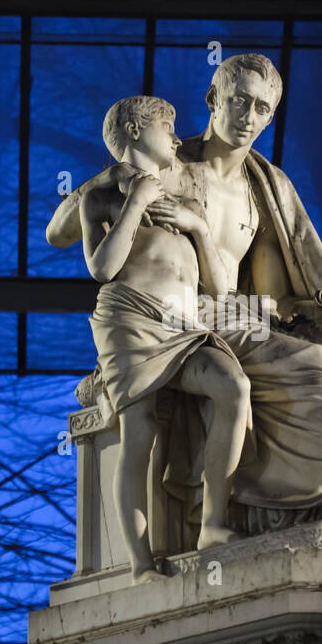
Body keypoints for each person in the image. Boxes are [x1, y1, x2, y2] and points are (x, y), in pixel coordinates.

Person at [50, 56, 322, 530]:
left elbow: (286, 287)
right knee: (311, 362)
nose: (248, 116)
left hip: (254, 318)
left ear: (271, 116)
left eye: (261, 108)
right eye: (238, 101)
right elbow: (62, 230)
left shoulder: (268, 184)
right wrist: (111, 180)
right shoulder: (169, 162)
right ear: (213, 100)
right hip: (190, 319)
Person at [83, 96, 248, 582]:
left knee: (233, 388)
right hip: (130, 318)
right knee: (140, 437)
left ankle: (214, 524)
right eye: (167, 125)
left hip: (183, 326)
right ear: (134, 129)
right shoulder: (101, 197)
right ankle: (139, 564)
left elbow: (221, 287)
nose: (177, 137)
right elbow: (103, 267)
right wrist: (135, 203)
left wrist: (198, 227)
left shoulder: (185, 201)